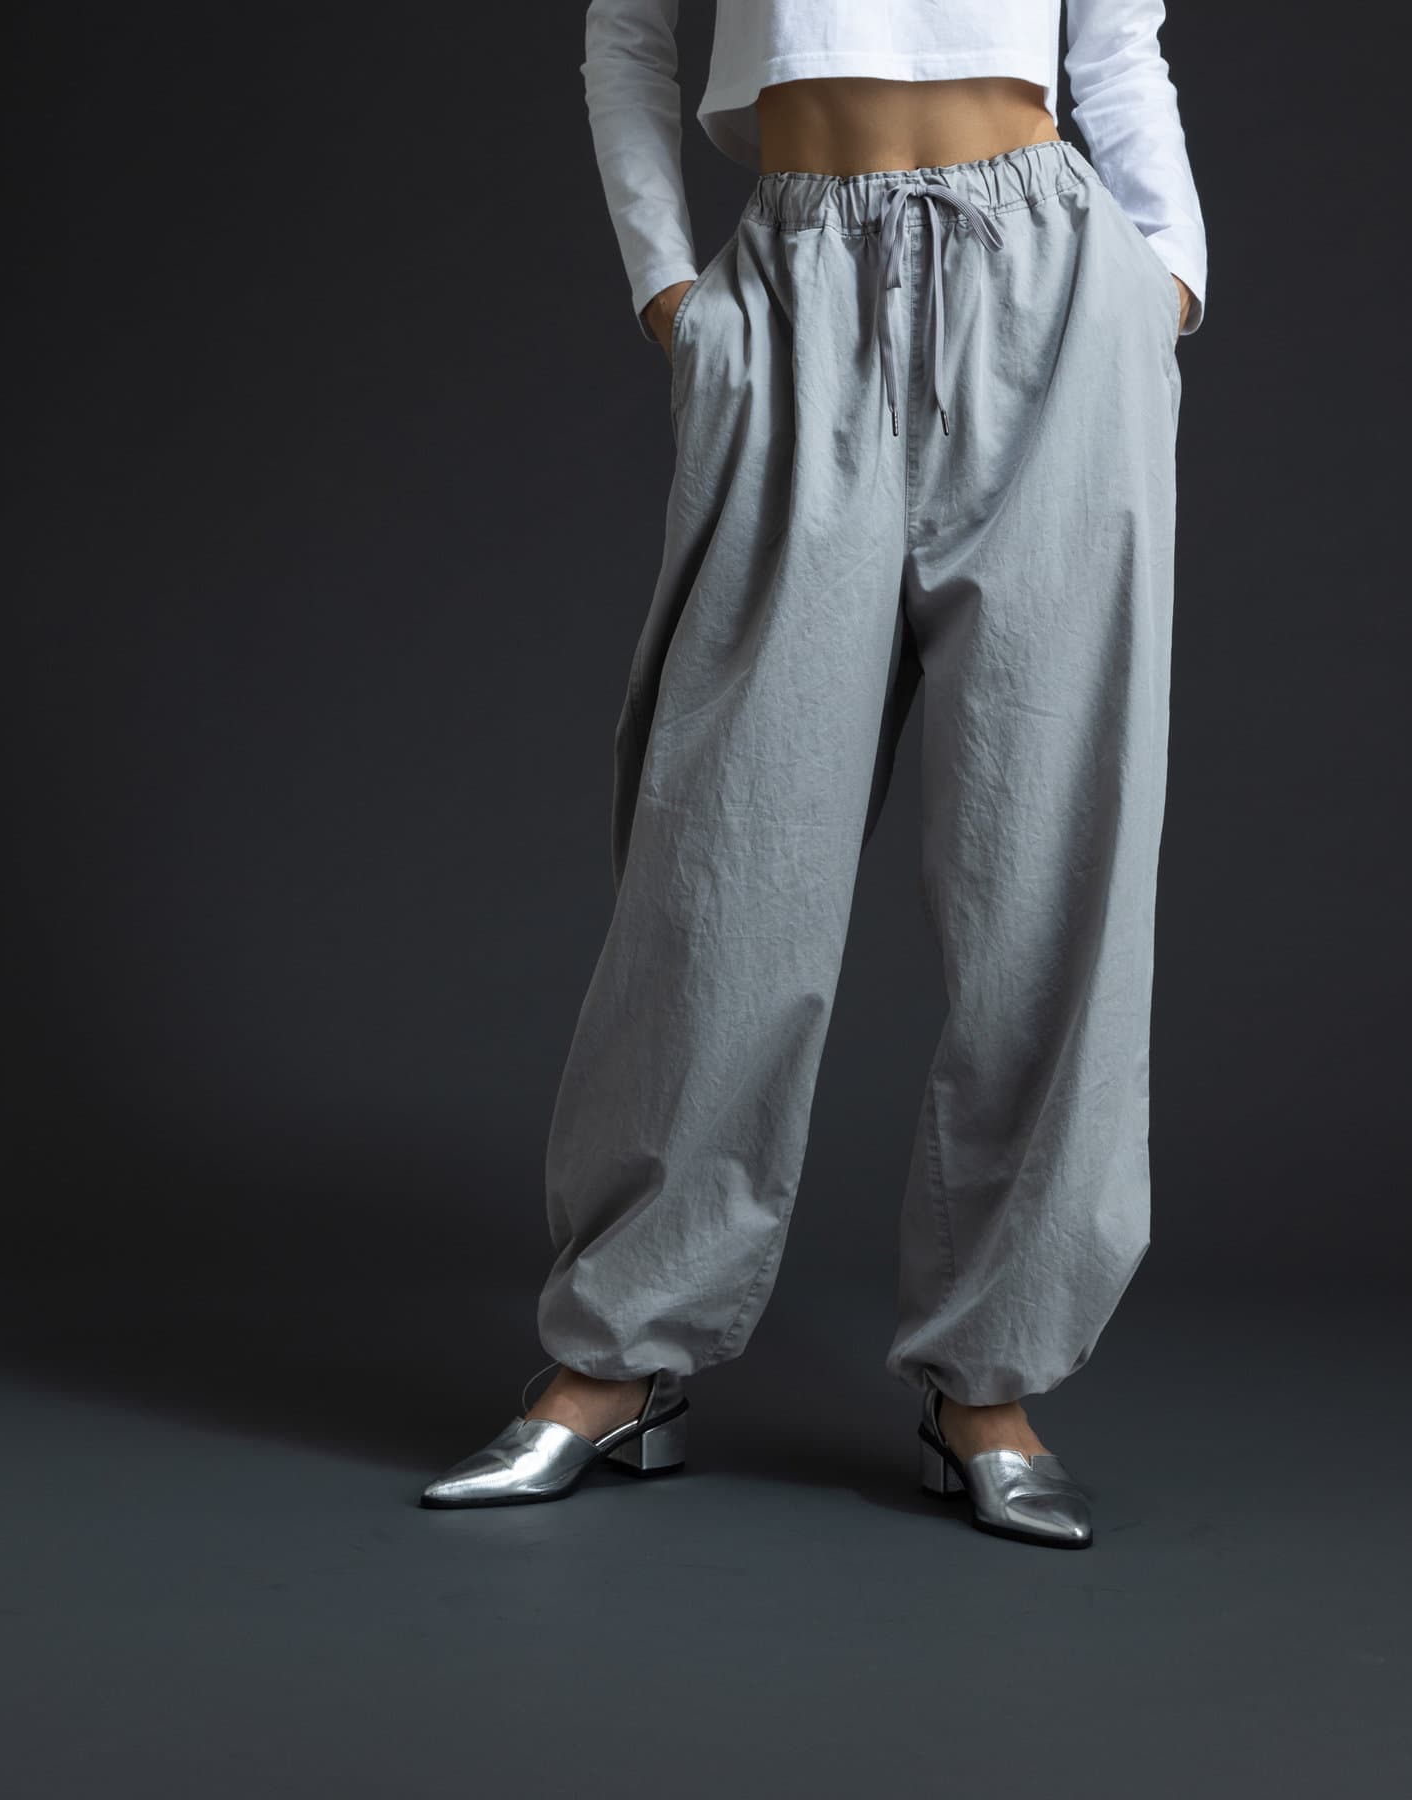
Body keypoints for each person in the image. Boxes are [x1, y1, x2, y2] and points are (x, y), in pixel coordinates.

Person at [420, 0, 1206, 1548]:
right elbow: (628, 35)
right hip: (797, 285)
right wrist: (670, 290)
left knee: (1051, 858)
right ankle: (615, 1358)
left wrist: (1166, 279)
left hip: (1053, 292)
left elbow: (1118, 47)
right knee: (722, 862)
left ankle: (991, 1387)